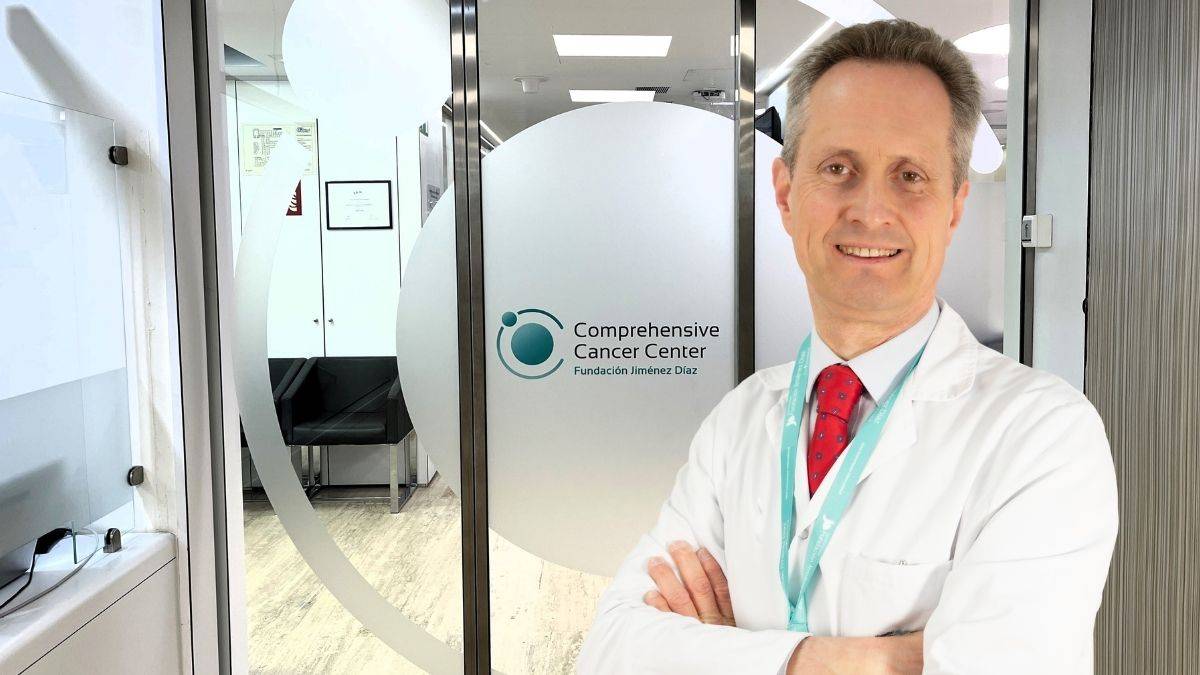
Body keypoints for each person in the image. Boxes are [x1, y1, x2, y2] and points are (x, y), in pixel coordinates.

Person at [576, 19, 1118, 675]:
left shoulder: (1041, 434)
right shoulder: (740, 419)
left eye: (910, 175)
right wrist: (867, 658)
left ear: (954, 208)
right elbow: (612, 650)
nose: (870, 210)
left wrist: (722, 652)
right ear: (785, 194)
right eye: (838, 168)